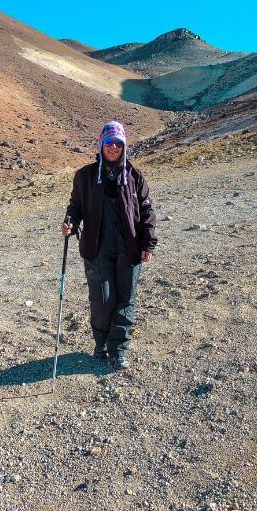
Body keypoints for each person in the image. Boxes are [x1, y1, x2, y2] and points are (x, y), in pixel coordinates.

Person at [62, 121, 157, 371]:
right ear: (101, 144)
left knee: (125, 299)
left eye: (118, 143)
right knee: (102, 300)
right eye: (108, 142)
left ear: (124, 146)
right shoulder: (85, 176)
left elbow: (146, 211)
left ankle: (119, 349)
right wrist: (70, 222)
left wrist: (148, 243)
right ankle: (101, 343)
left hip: (130, 248)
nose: (113, 147)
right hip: (97, 248)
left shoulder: (135, 177)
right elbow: (75, 206)